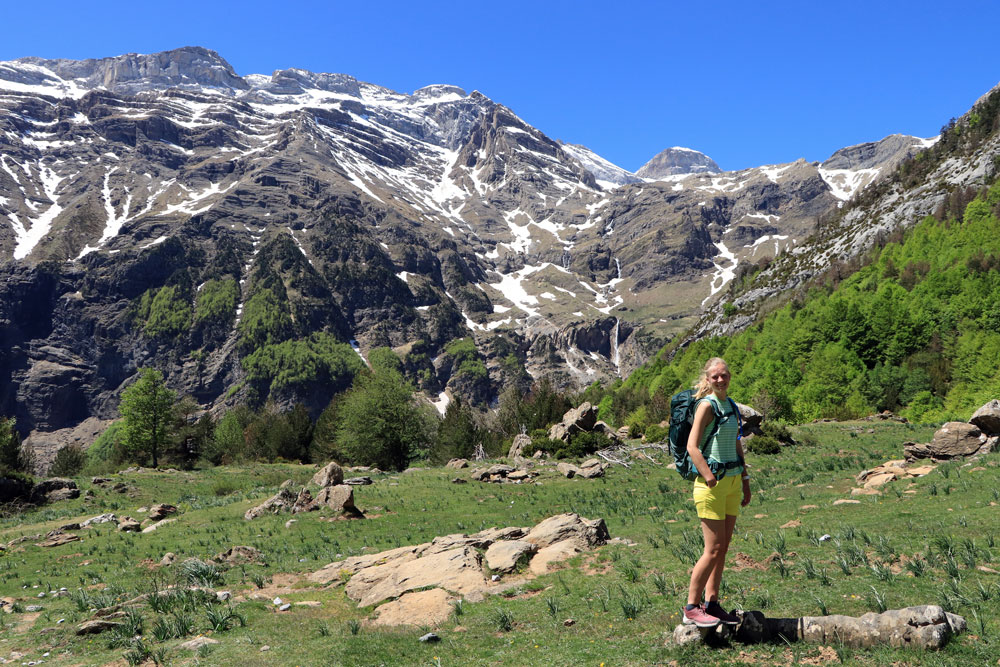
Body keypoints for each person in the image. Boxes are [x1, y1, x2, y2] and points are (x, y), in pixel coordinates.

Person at [682, 357, 751, 628]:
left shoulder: (731, 406)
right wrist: (709, 476)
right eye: (715, 377)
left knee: (722, 549)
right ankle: (691, 606)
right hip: (711, 486)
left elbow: (736, 443)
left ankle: (712, 603)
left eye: (724, 375)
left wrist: (745, 479)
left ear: (729, 376)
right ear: (708, 380)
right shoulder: (706, 405)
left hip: (733, 483)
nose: (721, 380)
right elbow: (692, 447)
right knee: (712, 550)